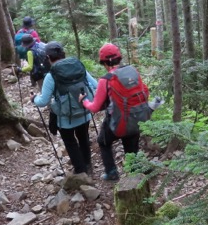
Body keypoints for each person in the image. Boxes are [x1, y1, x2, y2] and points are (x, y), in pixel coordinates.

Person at [80, 43, 147, 181]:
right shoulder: (132, 71)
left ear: (104, 62)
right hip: (136, 118)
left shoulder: (106, 80)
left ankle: (111, 172)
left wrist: (83, 101)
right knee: (131, 146)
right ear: (119, 57)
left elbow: (94, 107)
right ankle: (136, 175)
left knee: (103, 142)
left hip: (118, 122)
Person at [32, 42, 97, 176]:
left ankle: (80, 171)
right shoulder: (78, 67)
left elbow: (43, 101)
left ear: (48, 58)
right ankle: (87, 165)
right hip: (84, 112)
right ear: (63, 54)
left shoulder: (51, 76)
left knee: (70, 142)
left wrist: (34, 99)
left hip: (65, 118)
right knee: (84, 138)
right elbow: (95, 85)